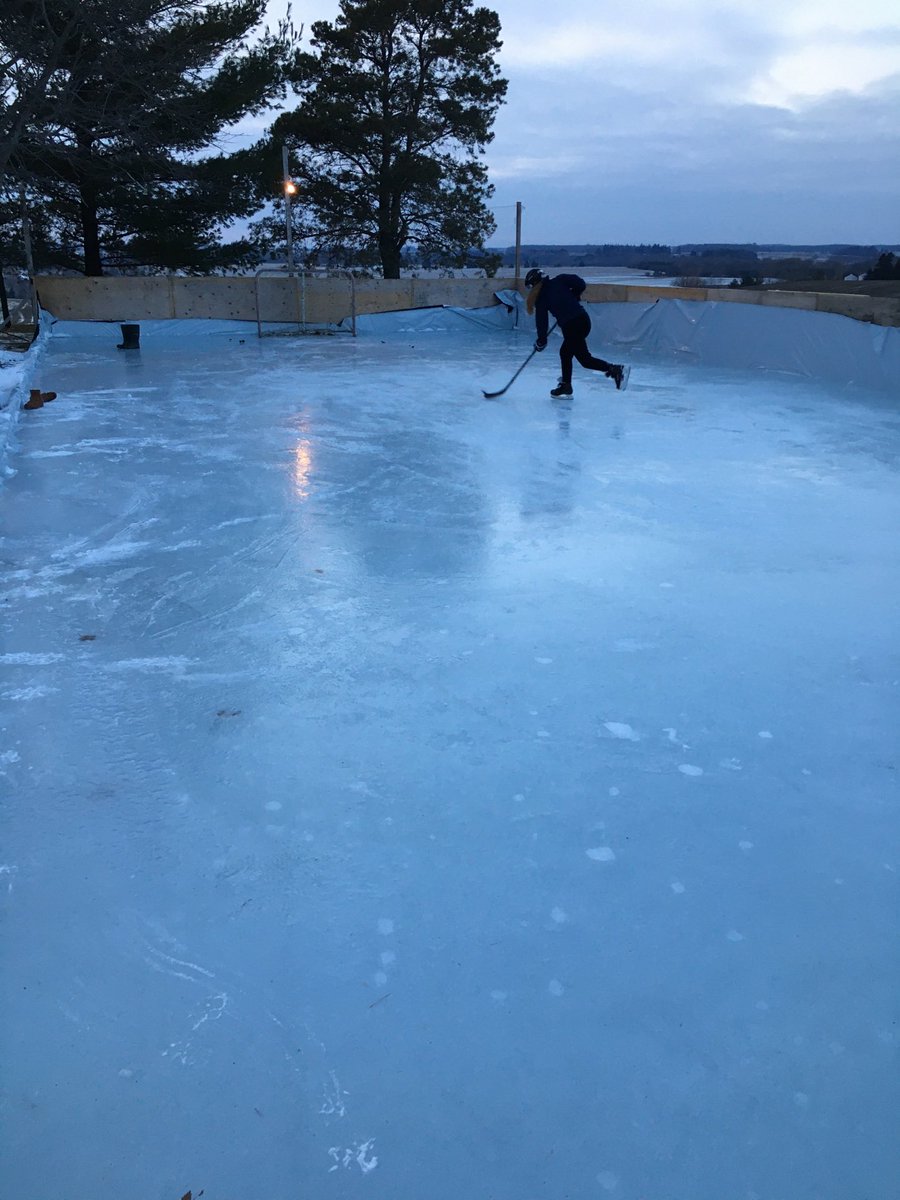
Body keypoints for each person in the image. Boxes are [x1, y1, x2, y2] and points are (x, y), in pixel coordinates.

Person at [525, 268, 628, 397]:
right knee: (565, 353)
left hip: (572, 326)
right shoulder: (560, 280)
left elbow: (542, 322)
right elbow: (580, 283)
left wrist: (541, 341)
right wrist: (574, 295)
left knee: (585, 360)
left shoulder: (541, 298)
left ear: (535, 284)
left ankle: (615, 370)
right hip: (583, 320)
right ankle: (566, 386)